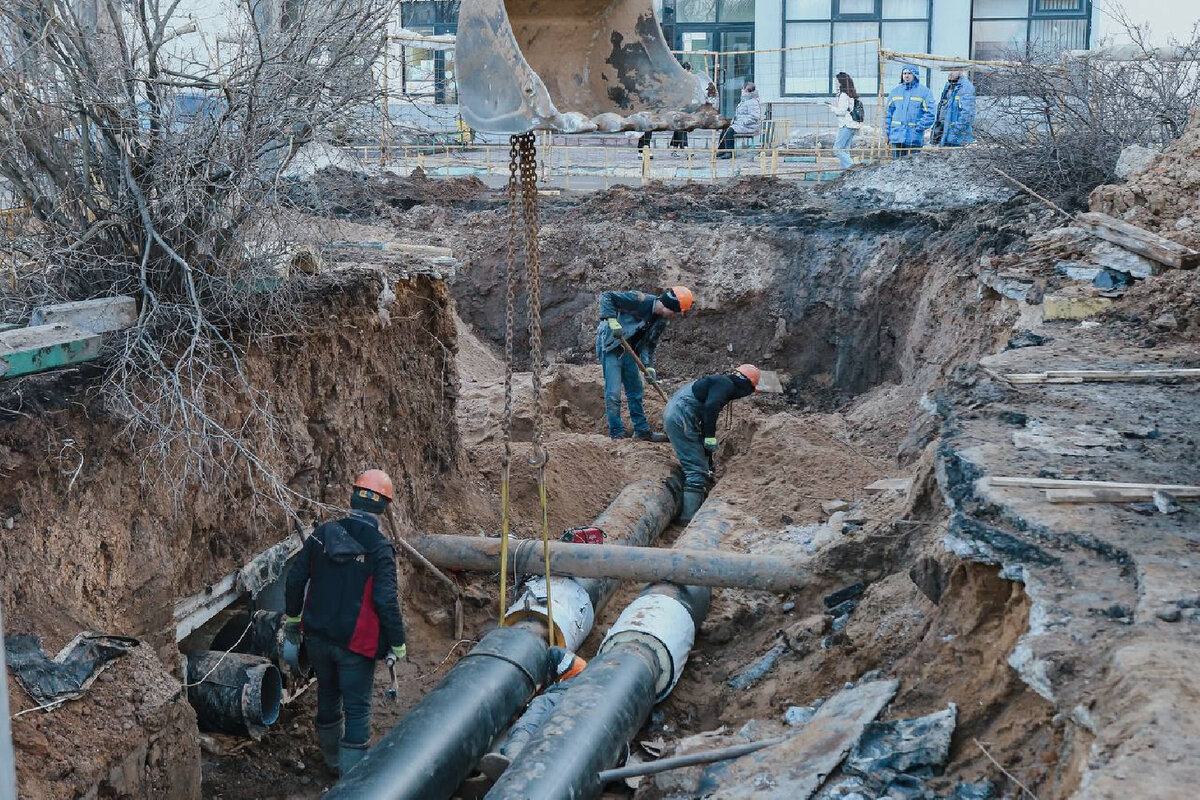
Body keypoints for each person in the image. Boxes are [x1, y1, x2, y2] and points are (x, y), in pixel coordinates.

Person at [283, 469, 407, 777]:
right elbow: (386, 601)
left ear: (352, 498)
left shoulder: (322, 534)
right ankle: (351, 782)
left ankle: (332, 761)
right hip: (356, 645)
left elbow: (295, 579)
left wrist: (294, 621)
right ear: (383, 507)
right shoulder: (379, 549)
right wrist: (397, 642)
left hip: (318, 638)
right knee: (357, 709)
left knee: (327, 693)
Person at [597, 286, 694, 441]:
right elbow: (606, 296)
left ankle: (641, 430)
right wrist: (611, 320)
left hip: (630, 350)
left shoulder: (662, 321)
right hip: (612, 344)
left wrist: (648, 365)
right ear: (669, 304)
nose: (674, 315)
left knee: (636, 390)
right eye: (675, 311)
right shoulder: (639, 299)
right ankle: (616, 432)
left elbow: (649, 345)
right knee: (613, 392)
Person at [663, 365, 759, 522]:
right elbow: (711, 407)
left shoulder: (720, 382)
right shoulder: (725, 384)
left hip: (681, 415)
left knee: (701, 462)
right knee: (696, 470)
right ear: (745, 384)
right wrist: (709, 436)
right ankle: (688, 519)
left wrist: (707, 451)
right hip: (681, 417)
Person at [477, 646, 587, 780]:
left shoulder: (560, 674)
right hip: (577, 715)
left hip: (557, 698)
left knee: (526, 726)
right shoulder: (591, 679)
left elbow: (530, 723)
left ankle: (512, 760)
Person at [884, 64, 934, 157]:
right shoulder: (895, 91)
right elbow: (888, 114)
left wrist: (917, 129)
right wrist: (887, 133)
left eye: (909, 73)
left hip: (914, 138)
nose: (906, 76)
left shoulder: (925, 92)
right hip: (896, 137)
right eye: (904, 73)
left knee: (913, 167)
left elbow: (930, 114)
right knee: (895, 167)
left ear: (915, 74)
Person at [670, 63, 717, 152]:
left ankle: (674, 147)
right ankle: (685, 147)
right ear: (686, 70)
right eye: (690, 70)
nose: (691, 72)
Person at [716, 82, 762, 158]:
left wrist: (741, 122)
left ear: (746, 90)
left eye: (743, 89)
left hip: (749, 126)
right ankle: (721, 151)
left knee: (730, 130)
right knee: (726, 128)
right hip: (743, 125)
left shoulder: (752, 101)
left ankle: (730, 152)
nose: (741, 90)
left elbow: (755, 117)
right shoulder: (745, 100)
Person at [828, 71, 862, 169]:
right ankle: (845, 171)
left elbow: (842, 111)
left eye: (837, 80)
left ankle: (852, 167)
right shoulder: (850, 94)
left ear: (841, 82)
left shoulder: (843, 95)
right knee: (845, 150)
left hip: (846, 125)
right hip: (852, 125)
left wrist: (832, 107)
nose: (835, 82)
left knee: (837, 149)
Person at [933, 69, 976, 147]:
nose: (950, 72)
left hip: (957, 139)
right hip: (944, 136)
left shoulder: (966, 87)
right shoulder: (948, 86)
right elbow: (942, 110)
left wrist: (955, 129)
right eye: (949, 70)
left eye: (954, 70)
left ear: (961, 71)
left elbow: (968, 114)